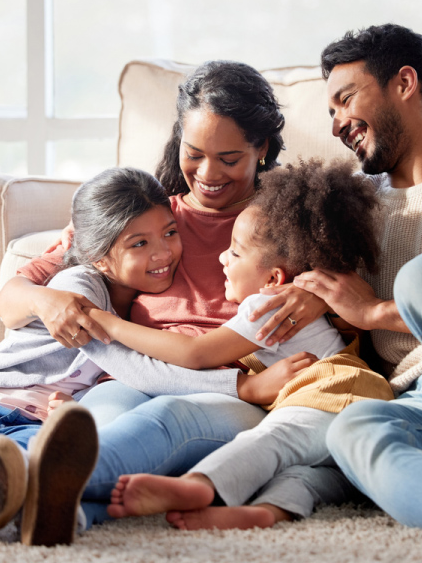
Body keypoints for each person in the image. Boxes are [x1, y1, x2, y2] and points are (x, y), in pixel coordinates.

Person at [0, 60, 354, 535]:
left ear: (261, 148)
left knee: (167, 420)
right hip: (137, 373)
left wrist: (319, 296)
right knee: (100, 422)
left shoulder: (284, 221)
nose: (208, 174)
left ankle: (15, 486)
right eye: (194, 153)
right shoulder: (145, 213)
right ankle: (63, 514)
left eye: (229, 159)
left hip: (229, 389)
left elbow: (355, 299)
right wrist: (47, 303)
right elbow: (14, 295)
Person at [0, 168, 280, 544]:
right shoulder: (78, 290)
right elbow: (136, 369)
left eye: (170, 233)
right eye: (139, 244)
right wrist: (240, 386)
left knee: (0, 482)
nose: (164, 252)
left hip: (38, 423)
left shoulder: (145, 305)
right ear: (99, 258)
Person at [270, 24, 422, 562]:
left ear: (405, 82)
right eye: (328, 112)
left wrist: (374, 311)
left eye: (345, 99)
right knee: (353, 428)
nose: (336, 124)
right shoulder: (349, 203)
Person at [84, 160, 393, 530]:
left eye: (235, 252)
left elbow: (194, 353)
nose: (221, 258)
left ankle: (199, 486)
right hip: (348, 403)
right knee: (306, 472)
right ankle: (264, 513)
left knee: (273, 440)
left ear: (274, 277)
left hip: (337, 393)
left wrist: (111, 324)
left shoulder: (266, 305)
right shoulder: (290, 298)